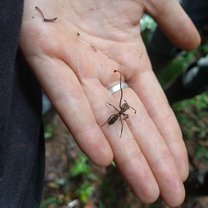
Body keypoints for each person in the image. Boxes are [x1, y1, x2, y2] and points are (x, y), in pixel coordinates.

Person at [0, 0, 200, 207]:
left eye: (123, 109)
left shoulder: (120, 111)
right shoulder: (119, 108)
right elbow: (120, 107)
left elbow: (121, 111)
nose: (122, 109)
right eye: (123, 108)